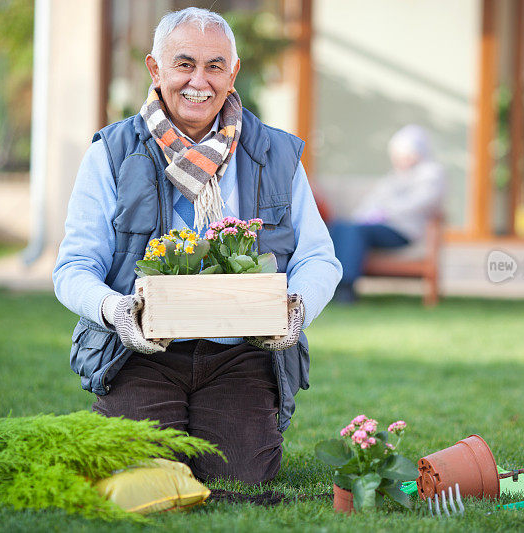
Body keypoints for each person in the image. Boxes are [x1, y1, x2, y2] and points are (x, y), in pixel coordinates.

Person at [52, 8, 341, 484]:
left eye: (214, 66)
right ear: (155, 69)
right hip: (142, 355)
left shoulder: (276, 153)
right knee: (140, 476)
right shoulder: (112, 151)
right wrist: (117, 311)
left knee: (240, 478)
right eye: (184, 64)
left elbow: (319, 258)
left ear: (233, 73)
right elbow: (74, 267)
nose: (199, 82)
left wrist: (296, 310)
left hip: (240, 353)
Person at [329, 125, 445, 302]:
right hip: (379, 226)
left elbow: (421, 202)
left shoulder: (431, 174)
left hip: (402, 230)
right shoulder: (394, 177)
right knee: (341, 226)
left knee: (356, 231)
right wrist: (363, 216)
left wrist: (385, 212)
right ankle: (331, 282)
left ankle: (346, 288)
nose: (400, 159)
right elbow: (372, 201)